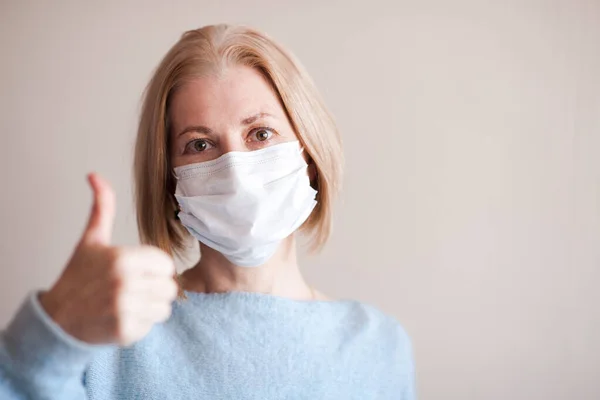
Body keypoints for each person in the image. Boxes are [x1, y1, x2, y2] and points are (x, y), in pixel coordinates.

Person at [0, 24, 415, 399]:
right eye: (199, 144)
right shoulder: (113, 337)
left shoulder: (379, 346)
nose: (235, 169)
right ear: (170, 179)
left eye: (260, 133)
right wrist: (50, 334)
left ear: (308, 154)